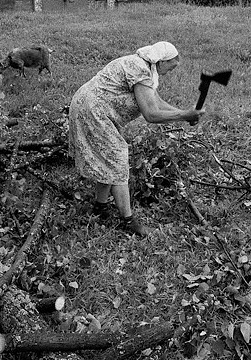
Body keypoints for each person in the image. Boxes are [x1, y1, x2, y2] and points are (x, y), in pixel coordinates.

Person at [67, 42, 204, 236]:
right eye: (171, 66)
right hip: (92, 111)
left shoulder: (144, 67)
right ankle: (128, 221)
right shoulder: (139, 69)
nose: (171, 70)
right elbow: (151, 114)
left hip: (94, 109)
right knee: (116, 158)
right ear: (161, 61)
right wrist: (184, 116)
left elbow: (155, 100)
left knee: (109, 158)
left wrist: (185, 113)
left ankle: (100, 208)